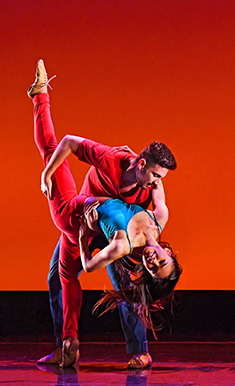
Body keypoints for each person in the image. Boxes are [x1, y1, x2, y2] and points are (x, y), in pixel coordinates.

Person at [29, 59, 180, 367]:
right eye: (155, 175)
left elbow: (160, 199)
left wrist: (86, 237)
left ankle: (139, 350)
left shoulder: (151, 195)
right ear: (140, 164)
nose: (157, 182)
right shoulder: (112, 160)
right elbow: (69, 143)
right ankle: (65, 346)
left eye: (160, 178)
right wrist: (47, 174)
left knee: (127, 285)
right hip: (83, 214)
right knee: (58, 277)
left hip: (94, 226)